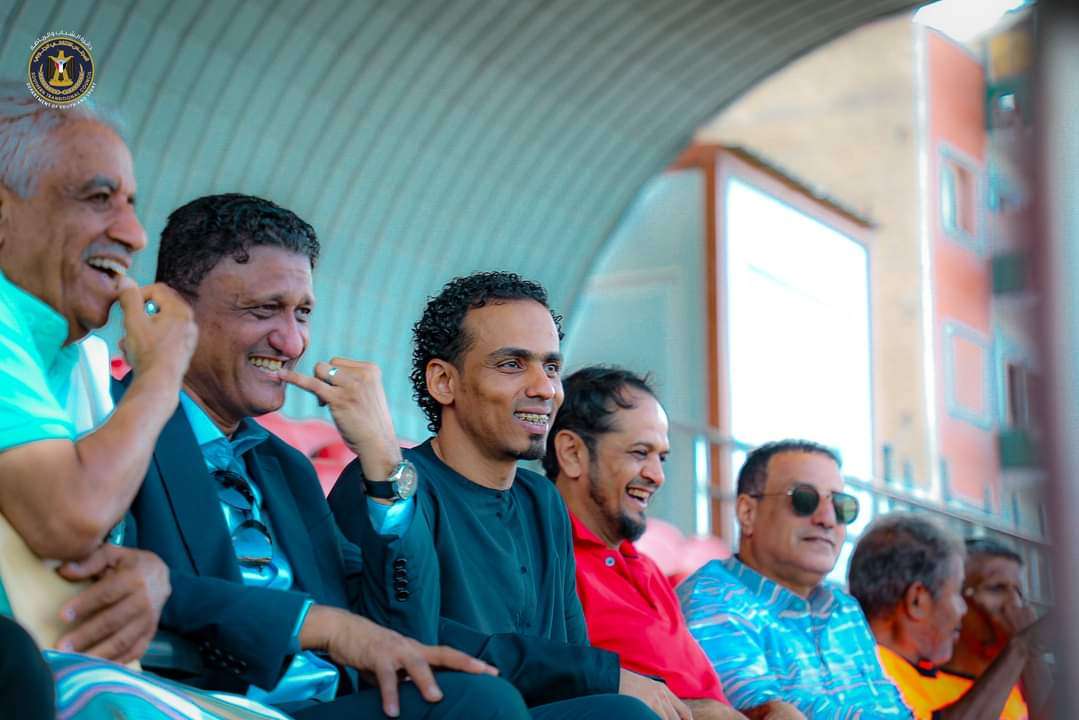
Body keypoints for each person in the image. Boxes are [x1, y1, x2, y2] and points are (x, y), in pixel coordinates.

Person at [126, 194, 528, 720]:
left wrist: (383, 460)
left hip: (327, 706)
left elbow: (404, 635)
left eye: (303, 313)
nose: (292, 342)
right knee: (483, 704)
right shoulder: (115, 427)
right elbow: (116, 580)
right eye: (263, 310)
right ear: (169, 310)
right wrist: (313, 624)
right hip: (206, 707)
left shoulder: (285, 468)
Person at [0, 80, 280, 718]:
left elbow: (85, 550)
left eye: (130, 204)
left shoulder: (78, 363)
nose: (132, 233)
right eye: (98, 198)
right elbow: (70, 516)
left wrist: (146, 575)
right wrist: (163, 369)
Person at [330, 271, 672, 720]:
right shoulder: (386, 484)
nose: (544, 388)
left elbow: (571, 655)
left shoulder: (542, 500)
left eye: (551, 367)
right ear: (443, 382)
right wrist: (598, 675)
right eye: (512, 364)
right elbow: (408, 638)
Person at [544, 366, 745, 720]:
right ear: (572, 453)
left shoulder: (647, 568)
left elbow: (706, 700)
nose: (657, 475)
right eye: (640, 453)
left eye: (661, 458)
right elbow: (556, 689)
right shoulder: (546, 558)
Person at [678, 440, 909, 719]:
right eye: (804, 499)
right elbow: (767, 713)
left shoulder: (844, 608)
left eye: (841, 505)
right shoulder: (712, 598)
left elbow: (894, 708)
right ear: (748, 513)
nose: (827, 519)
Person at [849, 515, 1048, 720]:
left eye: (1019, 592)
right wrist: (1021, 648)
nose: (962, 609)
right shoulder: (858, 675)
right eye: (956, 593)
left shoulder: (910, 676)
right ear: (917, 600)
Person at [943, 538, 1050, 717]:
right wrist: (1023, 646)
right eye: (997, 588)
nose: (1015, 602)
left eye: (1019, 592)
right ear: (955, 599)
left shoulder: (1020, 692)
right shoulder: (912, 684)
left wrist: (1030, 651)